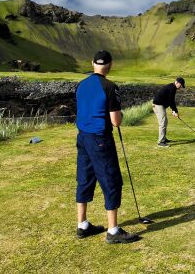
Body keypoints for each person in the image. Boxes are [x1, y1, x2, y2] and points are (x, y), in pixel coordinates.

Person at [75, 50, 140, 244]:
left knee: (84, 178)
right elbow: (116, 121)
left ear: (92, 63)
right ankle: (113, 230)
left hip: (83, 137)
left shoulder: (81, 85)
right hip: (100, 139)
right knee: (110, 179)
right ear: (110, 65)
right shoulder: (110, 87)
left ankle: (82, 224)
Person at [152, 77, 185, 147]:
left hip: (160, 105)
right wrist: (175, 111)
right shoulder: (172, 88)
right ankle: (161, 142)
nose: (180, 87)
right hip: (158, 106)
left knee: (165, 122)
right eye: (181, 85)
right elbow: (171, 101)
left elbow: (169, 100)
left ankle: (163, 138)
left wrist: (173, 110)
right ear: (177, 83)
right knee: (162, 123)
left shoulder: (172, 87)